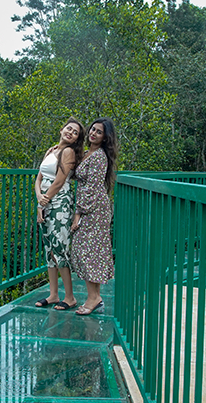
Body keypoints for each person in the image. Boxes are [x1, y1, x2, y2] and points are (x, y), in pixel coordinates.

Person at [34, 117, 85, 310]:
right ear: (61, 129)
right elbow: (39, 178)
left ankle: (70, 297)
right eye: (69, 129)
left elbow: (59, 181)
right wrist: (39, 198)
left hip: (60, 202)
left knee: (60, 247)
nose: (70, 133)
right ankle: (53, 294)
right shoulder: (52, 150)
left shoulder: (68, 152)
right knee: (49, 248)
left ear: (76, 140)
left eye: (75, 133)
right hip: (45, 200)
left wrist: (43, 202)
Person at [69, 117, 118, 316]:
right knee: (92, 250)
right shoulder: (89, 153)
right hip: (92, 208)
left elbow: (92, 187)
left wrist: (78, 214)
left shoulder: (99, 156)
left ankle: (93, 298)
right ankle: (95, 297)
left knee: (87, 251)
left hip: (93, 209)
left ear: (105, 137)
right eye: (92, 129)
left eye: (99, 132)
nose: (93, 133)